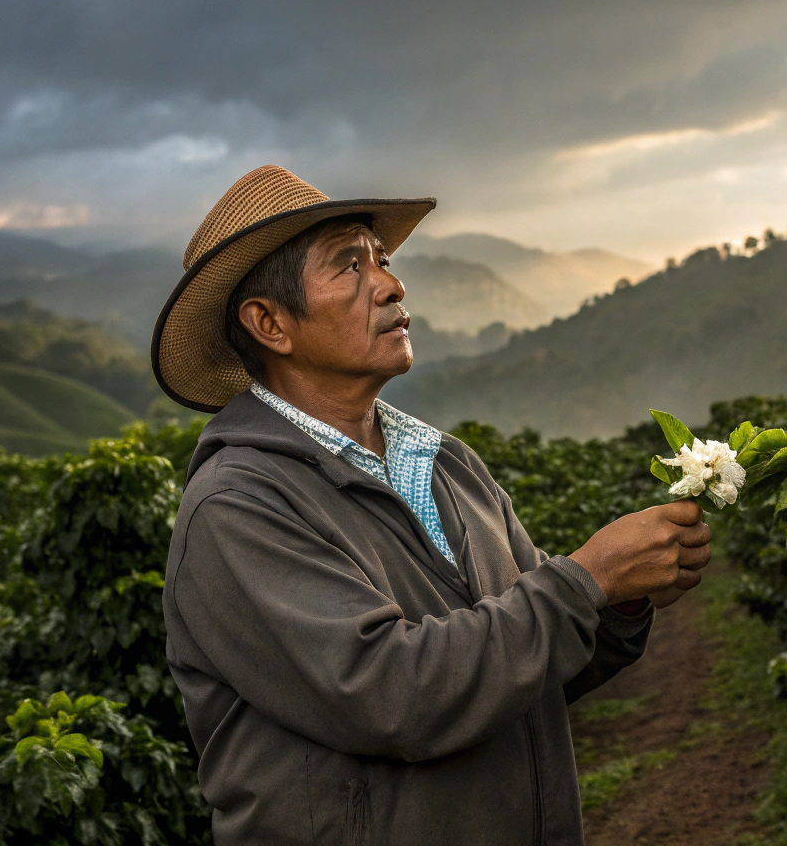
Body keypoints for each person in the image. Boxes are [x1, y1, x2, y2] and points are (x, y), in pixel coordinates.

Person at [154, 165, 712, 845]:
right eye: (349, 266)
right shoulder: (238, 509)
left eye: (382, 261)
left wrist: (619, 602)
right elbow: (392, 695)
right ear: (270, 323)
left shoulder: (447, 464)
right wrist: (588, 577)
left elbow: (529, 664)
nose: (390, 284)